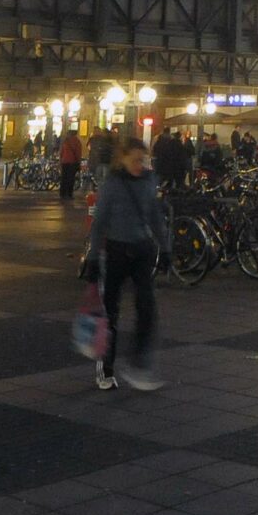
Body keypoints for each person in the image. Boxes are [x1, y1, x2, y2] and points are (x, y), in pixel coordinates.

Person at [83, 134, 170, 392]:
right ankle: (106, 368)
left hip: (142, 249)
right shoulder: (112, 184)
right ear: (122, 159)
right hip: (117, 251)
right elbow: (100, 222)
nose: (139, 165)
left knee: (147, 308)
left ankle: (139, 364)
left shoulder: (148, 180)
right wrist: (93, 257)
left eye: (143, 160)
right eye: (135, 160)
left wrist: (165, 248)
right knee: (110, 311)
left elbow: (155, 216)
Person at [58, 127, 84, 204]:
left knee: (64, 178)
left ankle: (62, 193)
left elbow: (61, 152)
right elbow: (78, 153)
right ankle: (69, 194)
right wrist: (79, 162)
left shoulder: (65, 141)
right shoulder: (77, 141)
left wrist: (60, 161)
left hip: (64, 162)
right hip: (72, 162)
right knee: (71, 178)